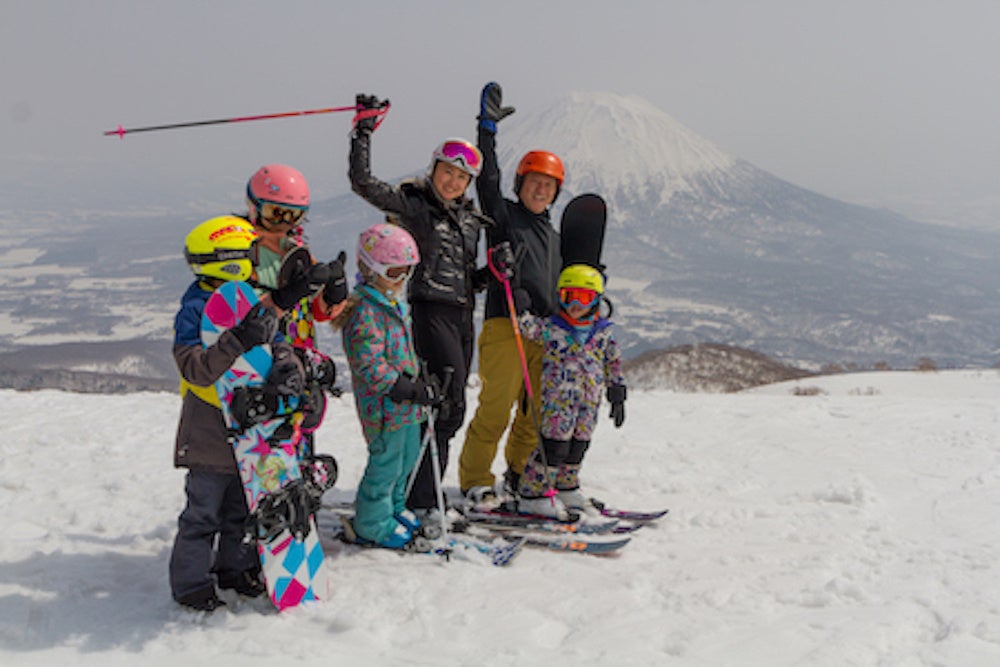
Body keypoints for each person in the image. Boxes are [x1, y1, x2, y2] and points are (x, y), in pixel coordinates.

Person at [349, 94, 491, 521]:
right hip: (429, 312)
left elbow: (465, 276)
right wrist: (363, 132)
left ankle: (421, 494)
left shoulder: (470, 219)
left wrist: (494, 274)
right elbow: (364, 183)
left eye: (461, 177)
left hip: (462, 316)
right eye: (447, 172)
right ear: (434, 169)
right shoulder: (414, 204)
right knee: (444, 407)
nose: (452, 181)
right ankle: (423, 499)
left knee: (452, 409)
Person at [168, 215, 295, 611]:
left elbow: (278, 341)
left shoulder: (251, 299)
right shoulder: (195, 309)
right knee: (203, 512)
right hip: (208, 431)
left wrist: (288, 370)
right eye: (251, 254)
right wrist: (236, 341)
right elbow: (195, 367)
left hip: (249, 428)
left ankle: (234, 568)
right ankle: (190, 583)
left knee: (242, 507)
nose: (258, 262)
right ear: (229, 259)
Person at [458, 81, 566, 508]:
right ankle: (475, 481)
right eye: (534, 182)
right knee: (496, 408)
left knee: (533, 413)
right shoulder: (504, 217)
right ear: (521, 183)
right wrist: (487, 130)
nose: (540, 190)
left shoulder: (554, 236)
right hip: (506, 327)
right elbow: (487, 180)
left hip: (545, 332)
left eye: (549, 185)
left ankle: (520, 474)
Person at [332, 223, 440, 548]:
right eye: (394, 272)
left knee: (405, 462)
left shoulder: (390, 304)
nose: (401, 281)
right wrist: (404, 389)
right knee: (385, 466)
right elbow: (370, 365)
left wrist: (420, 381)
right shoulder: (364, 311)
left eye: (406, 273)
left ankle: (393, 509)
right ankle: (372, 523)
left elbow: (401, 352)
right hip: (384, 409)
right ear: (369, 269)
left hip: (405, 408)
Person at [242, 164, 349, 455]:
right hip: (263, 360)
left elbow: (318, 310)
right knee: (268, 440)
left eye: (292, 216)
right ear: (254, 207)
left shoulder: (297, 251)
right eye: (274, 214)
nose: (282, 225)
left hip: (300, 358)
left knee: (299, 434)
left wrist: (334, 289)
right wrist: (288, 294)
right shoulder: (244, 251)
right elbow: (243, 311)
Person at [511, 264, 627, 519]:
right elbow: (526, 327)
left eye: (583, 297)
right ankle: (533, 493)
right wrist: (519, 305)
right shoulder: (553, 328)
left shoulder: (603, 332)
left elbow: (612, 361)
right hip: (559, 403)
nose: (575, 304)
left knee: (579, 446)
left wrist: (616, 391)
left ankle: (565, 486)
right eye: (568, 296)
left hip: (590, 401)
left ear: (597, 300)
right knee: (554, 447)